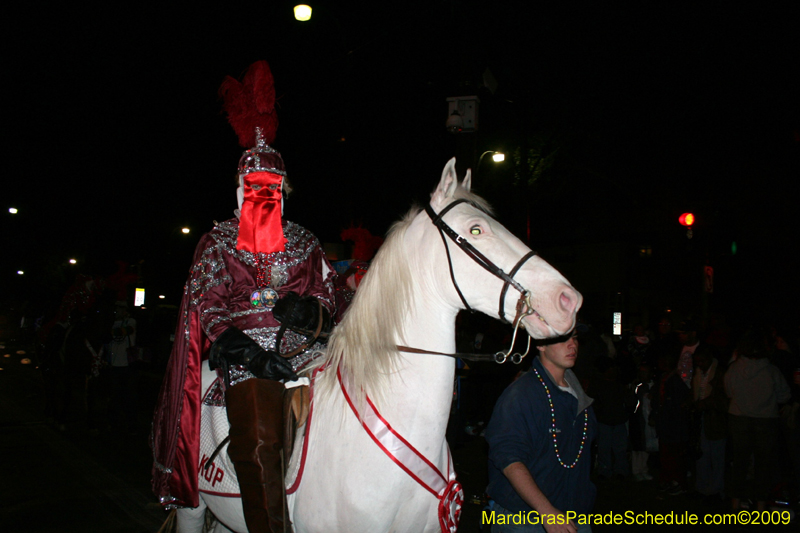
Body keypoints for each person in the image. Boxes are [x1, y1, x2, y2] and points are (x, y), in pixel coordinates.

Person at [150, 61, 336, 533]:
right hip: (245, 358)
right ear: (237, 191)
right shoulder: (216, 241)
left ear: (283, 190)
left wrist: (310, 313)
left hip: (308, 352)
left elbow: (329, 297)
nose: (260, 196)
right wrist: (245, 351)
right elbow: (207, 303)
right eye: (251, 188)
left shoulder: (306, 240)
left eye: (270, 189)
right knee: (258, 436)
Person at [485, 330, 596, 532]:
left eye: (575, 337)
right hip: (524, 520)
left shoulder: (578, 395)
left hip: (574, 517)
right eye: (562, 338)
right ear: (540, 344)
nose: (572, 345)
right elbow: (509, 460)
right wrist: (546, 511)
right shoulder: (521, 395)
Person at [725, 328, 791, 512]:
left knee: (740, 462)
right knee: (763, 464)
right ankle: (760, 506)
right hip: (765, 421)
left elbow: (729, 392)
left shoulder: (734, 368)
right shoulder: (771, 370)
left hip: (739, 419)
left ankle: (735, 504)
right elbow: (784, 395)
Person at [690, 344, 728, 503]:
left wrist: (704, 404)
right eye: (697, 361)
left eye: (702, 361)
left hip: (716, 419)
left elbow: (722, 398)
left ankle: (716, 489)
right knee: (702, 456)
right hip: (703, 419)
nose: (700, 364)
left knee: (717, 456)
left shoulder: (720, 373)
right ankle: (703, 487)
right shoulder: (699, 373)